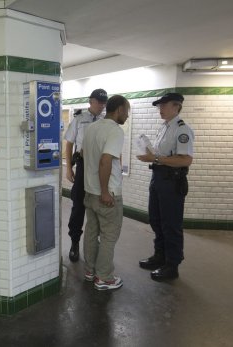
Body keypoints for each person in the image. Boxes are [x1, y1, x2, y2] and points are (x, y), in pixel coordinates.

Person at [137, 93, 194, 281]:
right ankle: (160, 256)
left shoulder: (181, 129)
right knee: (156, 219)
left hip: (171, 181)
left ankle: (172, 264)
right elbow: (160, 154)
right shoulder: (164, 128)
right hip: (158, 177)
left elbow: (185, 159)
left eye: (163, 105)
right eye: (159, 106)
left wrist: (154, 158)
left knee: (171, 224)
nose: (160, 109)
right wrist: (150, 152)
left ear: (176, 106)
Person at [81, 95, 129, 291]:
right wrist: (105, 192)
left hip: (89, 192)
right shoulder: (115, 131)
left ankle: (90, 271)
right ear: (118, 110)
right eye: (126, 111)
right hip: (106, 194)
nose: (127, 115)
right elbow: (105, 161)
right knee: (109, 236)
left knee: (91, 232)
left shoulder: (92, 128)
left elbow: (85, 155)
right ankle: (104, 278)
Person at [64, 88, 108, 262]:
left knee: (98, 206)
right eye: (99, 102)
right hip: (83, 166)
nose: (102, 105)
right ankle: (75, 242)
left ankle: (94, 243)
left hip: (100, 167)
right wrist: (69, 168)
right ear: (91, 101)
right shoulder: (79, 119)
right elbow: (69, 144)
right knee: (78, 206)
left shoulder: (106, 121)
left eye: (104, 102)